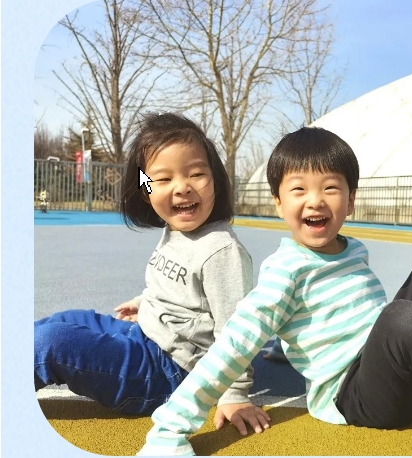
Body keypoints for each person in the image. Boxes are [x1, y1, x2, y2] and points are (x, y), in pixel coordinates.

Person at [137, 126, 412, 456]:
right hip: (356, 397)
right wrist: (170, 428)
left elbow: (333, 313)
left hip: (383, 364)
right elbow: (236, 341)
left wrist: (287, 343)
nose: (315, 200)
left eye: (330, 188)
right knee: (402, 318)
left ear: (350, 202)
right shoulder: (285, 271)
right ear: (278, 203)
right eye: (298, 190)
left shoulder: (351, 250)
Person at [34, 113, 270, 436]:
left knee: (53, 343)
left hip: (168, 372)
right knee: (66, 319)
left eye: (197, 174)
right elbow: (179, 289)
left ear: (214, 178)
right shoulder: (176, 230)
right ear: (146, 189)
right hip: (144, 337)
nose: (182, 187)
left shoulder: (221, 250)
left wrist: (234, 393)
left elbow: (237, 329)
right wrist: (143, 302)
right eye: (163, 179)